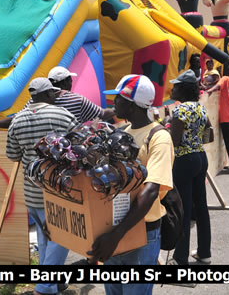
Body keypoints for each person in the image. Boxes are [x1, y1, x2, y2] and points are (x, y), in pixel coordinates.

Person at [89, 75, 174, 295]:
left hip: (141, 233)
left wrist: (116, 235)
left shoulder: (159, 137)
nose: (113, 103)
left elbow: (151, 190)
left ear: (133, 104)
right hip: (114, 229)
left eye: (118, 99)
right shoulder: (123, 133)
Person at [6, 78, 76, 295]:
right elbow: (81, 144)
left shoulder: (17, 120)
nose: (56, 96)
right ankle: (45, 287)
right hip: (59, 191)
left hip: (32, 192)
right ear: (46, 95)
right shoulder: (62, 115)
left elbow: (12, 155)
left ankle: (52, 284)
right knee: (62, 238)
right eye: (53, 93)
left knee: (46, 238)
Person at [0, 66, 111, 134]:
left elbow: (16, 119)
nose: (71, 82)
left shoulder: (34, 101)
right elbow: (101, 114)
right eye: (70, 79)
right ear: (66, 82)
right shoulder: (77, 100)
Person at [167, 70, 211, 265]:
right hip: (200, 157)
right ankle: (204, 252)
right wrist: (195, 141)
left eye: (176, 86)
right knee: (201, 206)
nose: (172, 88)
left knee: (182, 209)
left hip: (184, 160)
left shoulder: (179, 110)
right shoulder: (200, 108)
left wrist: (165, 128)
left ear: (183, 90)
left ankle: (180, 258)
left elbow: (174, 143)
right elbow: (209, 134)